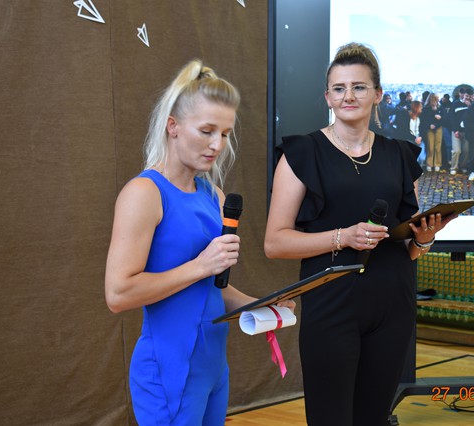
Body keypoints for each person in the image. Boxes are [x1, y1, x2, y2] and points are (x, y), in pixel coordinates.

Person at [264, 42, 454, 426]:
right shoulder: (302, 153)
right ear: (327, 97)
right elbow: (275, 243)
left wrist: (424, 238)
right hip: (331, 304)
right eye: (339, 88)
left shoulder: (399, 155)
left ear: (378, 94)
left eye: (359, 87)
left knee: (374, 418)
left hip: (393, 304)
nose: (348, 96)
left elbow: (408, 246)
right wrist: (343, 237)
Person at [104, 59, 294, 425]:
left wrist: (263, 306)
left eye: (225, 134)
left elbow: (209, 288)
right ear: (173, 126)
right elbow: (118, 294)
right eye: (207, 131)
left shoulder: (214, 195)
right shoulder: (144, 193)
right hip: (168, 371)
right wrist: (200, 265)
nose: (217, 145)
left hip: (212, 368)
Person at [420, 92, 445, 171]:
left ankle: (437, 163)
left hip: (438, 128)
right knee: (430, 146)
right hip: (429, 128)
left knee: (438, 146)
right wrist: (429, 125)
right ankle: (429, 163)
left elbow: (444, 118)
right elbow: (424, 120)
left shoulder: (440, 107)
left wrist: (439, 118)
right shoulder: (426, 108)